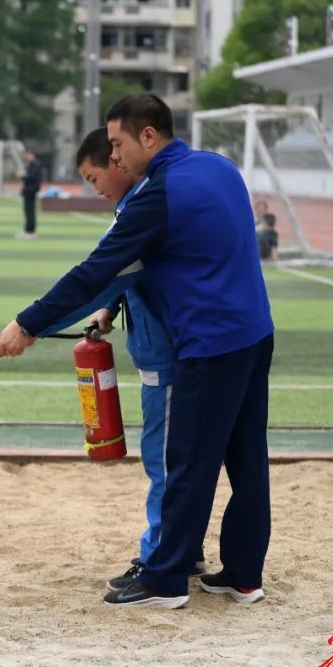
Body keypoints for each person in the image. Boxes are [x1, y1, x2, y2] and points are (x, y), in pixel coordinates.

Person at [0, 93, 273, 609]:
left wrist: (26, 324)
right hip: (256, 334)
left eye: (119, 144)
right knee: (247, 461)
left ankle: (166, 580)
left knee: (186, 463)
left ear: (149, 136)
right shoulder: (219, 167)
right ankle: (242, 574)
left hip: (208, 344)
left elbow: (94, 273)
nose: (114, 156)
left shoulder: (157, 193)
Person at [66, 128, 207, 589]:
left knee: (164, 462)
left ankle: (162, 558)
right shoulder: (134, 207)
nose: (97, 187)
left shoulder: (145, 206)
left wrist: (28, 327)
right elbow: (132, 275)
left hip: (166, 360)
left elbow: (99, 274)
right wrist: (111, 307)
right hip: (156, 356)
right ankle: (181, 550)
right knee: (167, 458)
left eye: (94, 177)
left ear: (116, 161)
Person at [18, 150, 41, 240]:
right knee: (28, 211)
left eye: (25, 155)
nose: (23, 157)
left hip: (31, 190)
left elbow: (31, 177)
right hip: (29, 190)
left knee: (30, 211)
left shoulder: (34, 164)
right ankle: (28, 230)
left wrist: (22, 176)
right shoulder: (31, 164)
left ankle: (30, 231)